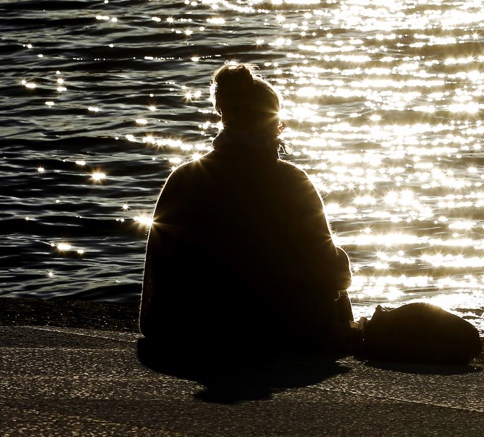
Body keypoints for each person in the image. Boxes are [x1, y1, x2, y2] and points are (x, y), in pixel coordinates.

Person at [139, 63, 354, 357]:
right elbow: (329, 271)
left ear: (223, 116)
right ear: (273, 122)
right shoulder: (291, 181)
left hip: (193, 329)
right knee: (332, 268)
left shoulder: (184, 177)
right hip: (279, 331)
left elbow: (160, 266)